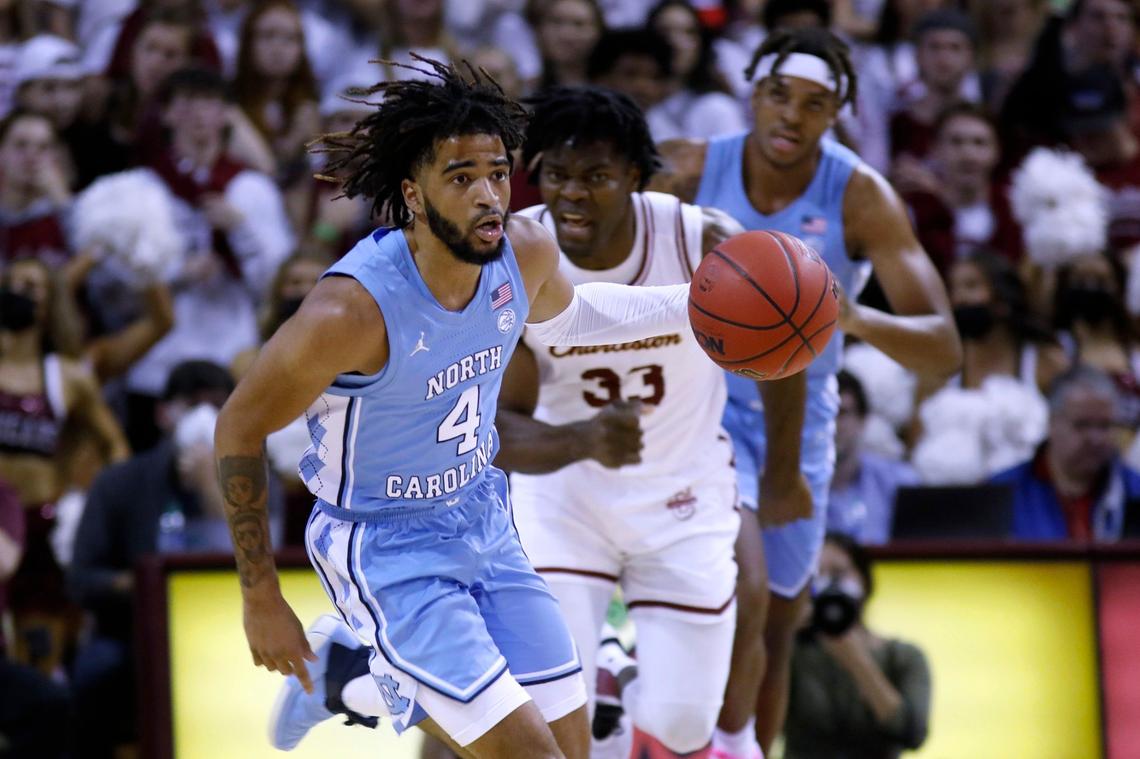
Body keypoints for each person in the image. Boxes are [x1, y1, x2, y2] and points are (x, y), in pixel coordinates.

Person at [215, 58, 736, 757]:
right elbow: (238, 427)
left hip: (485, 517)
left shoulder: (524, 248)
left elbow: (574, 320)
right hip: (387, 544)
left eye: (497, 171)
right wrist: (260, 595)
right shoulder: (350, 310)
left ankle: (345, 675)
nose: (490, 194)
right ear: (414, 195)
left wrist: (697, 306)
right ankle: (351, 667)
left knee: (572, 749)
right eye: (462, 178)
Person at [652, 27, 960, 758]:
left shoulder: (860, 194)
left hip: (801, 423)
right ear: (753, 94)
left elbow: (943, 348)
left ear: (839, 112)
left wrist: (850, 312)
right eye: (780, 96)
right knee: (743, 592)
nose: (792, 116)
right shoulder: (693, 169)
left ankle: (750, 748)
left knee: (781, 624)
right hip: (703, 412)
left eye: (815, 104)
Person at [499, 86, 800, 758]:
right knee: (555, 724)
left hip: (682, 494)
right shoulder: (520, 258)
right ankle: (600, 660)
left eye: (597, 177)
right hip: (563, 502)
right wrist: (582, 440)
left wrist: (782, 471)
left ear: (636, 175)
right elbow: (492, 431)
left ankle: (625, 669)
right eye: (557, 175)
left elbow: (784, 348)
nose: (573, 194)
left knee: (682, 724)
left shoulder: (703, 240)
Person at [69, 359, 239, 758]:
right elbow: (81, 580)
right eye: (191, 405)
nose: (203, 418)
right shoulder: (119, 482)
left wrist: (213, 492)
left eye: (217, 406)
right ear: (164, 414)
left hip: (227, 635)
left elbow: (265, 566)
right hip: (132, 633)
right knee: (94, 671)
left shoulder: (258, 480)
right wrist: (144, 585)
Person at [783, 533, 932, 758]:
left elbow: (911, 733)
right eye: (817, 575)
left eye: (839, 573)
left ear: (865, 579)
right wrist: (781, 635)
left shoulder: (905, 656)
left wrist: (856, 660)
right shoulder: (793, 653)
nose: (829, 585)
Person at [993, 366, 1140, 542]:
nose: (1095, 438)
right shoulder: (1002, 493)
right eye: (1082, 425)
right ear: (1051, 422)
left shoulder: (1134, 491)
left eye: (1105, 426)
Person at [828, 371, 918, 545]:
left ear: (863, 420)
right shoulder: (787, 484)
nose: (832, 425)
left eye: (842, 413)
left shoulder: (900, 481)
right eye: (824, 415)